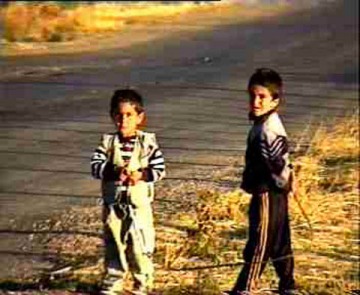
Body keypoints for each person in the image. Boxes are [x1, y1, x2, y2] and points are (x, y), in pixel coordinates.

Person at [226, 68, 297, 295]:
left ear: (275, 101)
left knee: (261, 240)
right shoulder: (263, 122)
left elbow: (278, 162)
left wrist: (285, 182)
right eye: (252, 96)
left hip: (268, 192)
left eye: (262, 97)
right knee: (279, 240)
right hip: (271, 191)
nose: (255, 102)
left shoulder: (268, 129)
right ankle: (288, 285)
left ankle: (245, 288)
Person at [91, 89, 166, 295]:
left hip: (139, 205)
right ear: (112, 116)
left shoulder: (148, 144)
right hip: (114, 206)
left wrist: (141, 175)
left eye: (129, 115)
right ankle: (113, 281)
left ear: (139, 117)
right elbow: (95, 166)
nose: (123, 120)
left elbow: (159, 170)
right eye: (119, 115)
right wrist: (115, 171)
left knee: (141, 245)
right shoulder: (107, 144)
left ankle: (142, 282)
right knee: (114, 243)